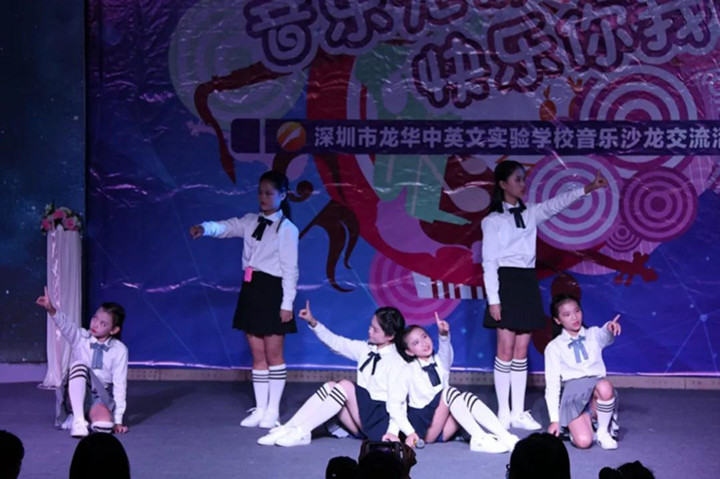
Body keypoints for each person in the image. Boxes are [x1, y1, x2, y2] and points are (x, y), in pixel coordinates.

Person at [481, 160, 609, 430]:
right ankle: (504, 412)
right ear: (502, 184)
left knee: (521, 351)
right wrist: (494, 300)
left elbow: (556, 204)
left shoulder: (531, 213)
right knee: (504, 350)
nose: (522, 184)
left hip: (527, 282)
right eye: (517, 179)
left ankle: (518, 412)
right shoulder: (492, 221)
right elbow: (489, 262)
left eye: (523, 179)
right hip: (505, 283)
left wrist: (587, 188)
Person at [190, 170, 299, 429]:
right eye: (260, 192)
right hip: (251, 288)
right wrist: (204, 228)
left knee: (274, 354)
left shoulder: (287, 229)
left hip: (273, 291)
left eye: (269, 193)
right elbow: (226, 227)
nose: (263, 197)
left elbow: (290, 270)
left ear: (283, 195)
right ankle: (260, 409)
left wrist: (287, 304)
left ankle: (273, 411)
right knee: (257, 354)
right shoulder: (250, 221)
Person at [257, 301, 407, 446]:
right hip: (362, 415)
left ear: (390, 336)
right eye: (370, 326)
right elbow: (337, 343)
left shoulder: (397, 362)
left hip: (380, 423)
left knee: (346, 385)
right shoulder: (367, 349)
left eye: (375, 330)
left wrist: (392, 432)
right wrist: (313, 322)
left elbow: (399, 402)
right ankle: (289, 428)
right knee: (330, 386)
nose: (369, 331)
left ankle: (302, 431)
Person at [392, 313, 518, 453]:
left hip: (443, 425)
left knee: (466, 397)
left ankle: (505, 436)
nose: (424, 343)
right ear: (409, 352)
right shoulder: (407, 370)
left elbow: (445, 351)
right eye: (416, 343)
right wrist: (408, 432)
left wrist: (443, 335)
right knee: (449, 392)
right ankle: (479, 438)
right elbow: (395, 405)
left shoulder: (439, 361)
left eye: (424, 337)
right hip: (424, 429)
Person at [35, 287, 128, 438]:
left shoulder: (119, 350)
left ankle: (86, 417)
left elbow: (120, 385)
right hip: (75, 393)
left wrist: (118, 420)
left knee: (104, 426)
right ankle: (78, 419)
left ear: (114, 330)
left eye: (103, 323)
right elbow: (66, 326)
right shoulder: (81, 338)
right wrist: (51, 309)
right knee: (79, 364)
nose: (95, 324)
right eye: (95, 318)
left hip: (99, 396)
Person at [545, 293, 621, 449]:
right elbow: (552, 385)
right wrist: (554, 420)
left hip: (596, 393)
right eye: (567, 315)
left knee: (605, 386)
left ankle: (602, 432)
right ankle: (581, 425)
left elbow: (604, 334)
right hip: (574, 397)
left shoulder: (593, 334)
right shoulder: (554, 347)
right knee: (584, 442)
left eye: (577, 311)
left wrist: (609, 327)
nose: (574, 317)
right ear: (557, 320)